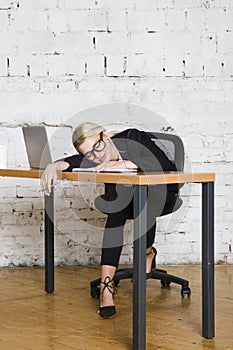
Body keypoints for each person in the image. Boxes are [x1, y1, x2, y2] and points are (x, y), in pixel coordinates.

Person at [41, 122, 179, 319]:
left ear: (104, 135)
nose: (97, 156)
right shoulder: (95, 157)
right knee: (118, 204)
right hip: (127, 202)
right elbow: (76, 161)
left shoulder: (132, 137)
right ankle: (107, 288)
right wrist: (55, 165)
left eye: (97, 147)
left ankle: (147, 253)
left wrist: (124, 164)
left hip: (163, 196)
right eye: (90, 155)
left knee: (134, 201)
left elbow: (166, 164)